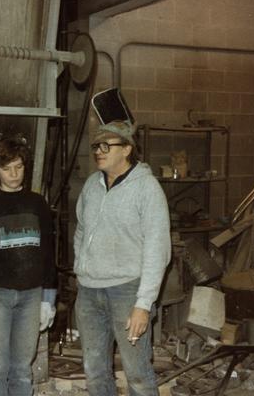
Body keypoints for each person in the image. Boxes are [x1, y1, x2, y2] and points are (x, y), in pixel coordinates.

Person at [73, 120, 171, 396]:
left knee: (137, 373)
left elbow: (157, 250)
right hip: (89, 292)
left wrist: (143, 303)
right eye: (96, 146)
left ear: (127, 149)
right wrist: (82, 265)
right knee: (94, 372)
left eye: (106, 145)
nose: (98, 151)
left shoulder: (147, 189)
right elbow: (81, 229)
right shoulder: (92, 184)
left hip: (127, 291)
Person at [0, 137, 57, 396]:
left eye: (19, 167)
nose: (14, 174)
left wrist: (48, 298)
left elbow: (49, 253)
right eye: (6, 168)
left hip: (31, 296)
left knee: (23, 366)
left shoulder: (38, 203)